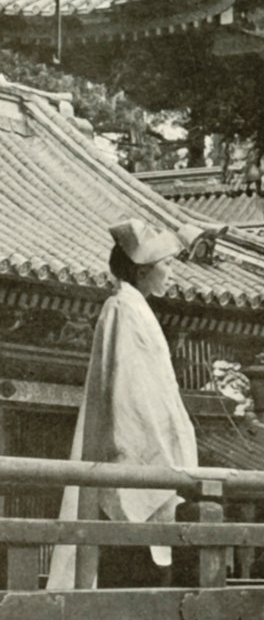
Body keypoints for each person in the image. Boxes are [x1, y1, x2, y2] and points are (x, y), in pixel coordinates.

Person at [47, 219, 198, 590]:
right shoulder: (122, 310)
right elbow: (132, 398)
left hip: (152, 458)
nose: (171, 273)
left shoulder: (136, 309)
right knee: (134, 567)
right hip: (134, 458)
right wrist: (159, 453)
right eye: (166, 264)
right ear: (143, 269)